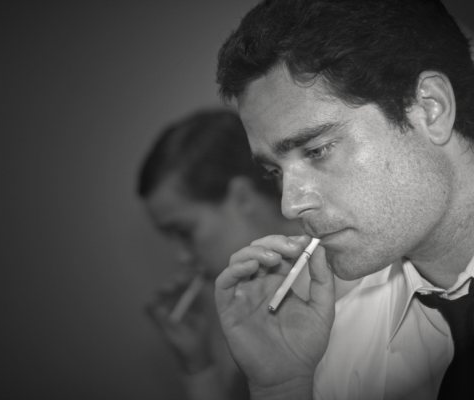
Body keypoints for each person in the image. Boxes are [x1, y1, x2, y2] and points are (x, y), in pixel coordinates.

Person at [211, 1, 474, 400]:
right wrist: (282, 387)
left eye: (317, 150)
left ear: (430, 109)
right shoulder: (330, 349)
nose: (290, 205)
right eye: (274, 172)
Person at [137, 109, 315, 400]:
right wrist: (198, 366)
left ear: (242, 197)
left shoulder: (334, 285)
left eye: (184, 232)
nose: (182, 257)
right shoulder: (257, 296)